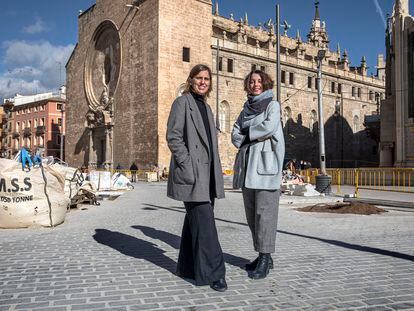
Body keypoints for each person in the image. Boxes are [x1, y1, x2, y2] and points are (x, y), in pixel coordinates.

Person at [166, 64, 227, 292]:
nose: (203, 82)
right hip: (193, 174)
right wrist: (187, 163)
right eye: (199, 78)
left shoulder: (207, 108)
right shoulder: (182, 103)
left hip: (208, 175)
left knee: (195, 223)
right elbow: (173, 136)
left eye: (207, 79)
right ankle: (215, 273)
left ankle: (186, 267)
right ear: (191, 80)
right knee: (206, 225)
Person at [231, 70, 285, 280]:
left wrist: (247, 134)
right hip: (247, 169)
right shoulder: (246, 109)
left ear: (266, 83)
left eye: (259, 81)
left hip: (265, 167)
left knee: (265, 215)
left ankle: (265, 256)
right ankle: (263, 255)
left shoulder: (273, 105)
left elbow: (269, 127)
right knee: (252, 216)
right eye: (252, 81)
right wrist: (244, 138)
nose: (255, 84)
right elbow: (235, 131)